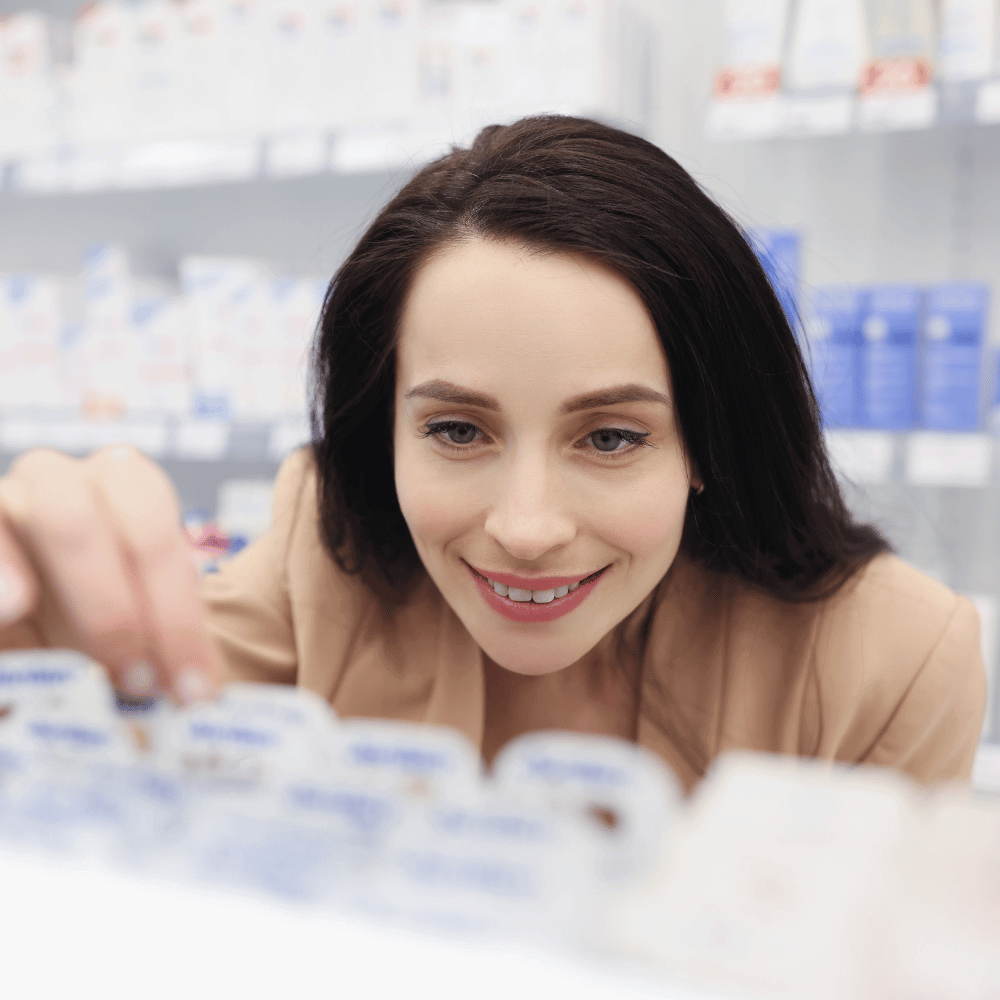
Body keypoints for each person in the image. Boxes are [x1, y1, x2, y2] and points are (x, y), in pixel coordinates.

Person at [0, 116, 986, 793]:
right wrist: (41, 636)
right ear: (381, 430)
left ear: (707, 441)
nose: (524, 528)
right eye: (457, 430)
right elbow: (128, 703)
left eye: (609, 436)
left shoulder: (893, 665)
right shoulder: (332, 545)